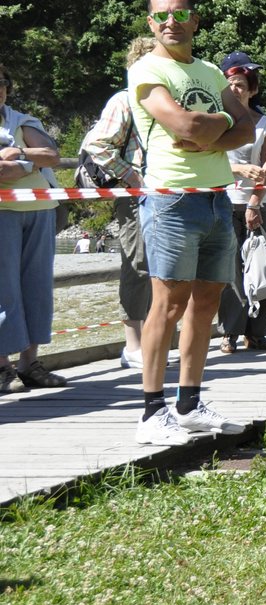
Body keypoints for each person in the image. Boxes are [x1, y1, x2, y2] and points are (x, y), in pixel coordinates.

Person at [127, 0, 258, 442]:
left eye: (180, 15)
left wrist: (211, 128)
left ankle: (189, 402)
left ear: (195, 21)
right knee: (167, 305)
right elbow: (181, 125)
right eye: (161, 16)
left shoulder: (207, 70)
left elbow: (248, 126)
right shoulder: (147, 69)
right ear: (151, 24)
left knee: (206, 303)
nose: (171, 23)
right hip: (172, 199)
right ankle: (150, 411)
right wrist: (214, 125)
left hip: (217, 198)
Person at [79, 36, 158, 368]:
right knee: (137, 263)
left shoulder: (160, 99)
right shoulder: (124, 100)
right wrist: (133, 176)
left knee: (158, 266)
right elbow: (97, 144)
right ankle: (133, 345)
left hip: (160, 193)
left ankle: (152, 342)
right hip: (134, 195)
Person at [0, 62, 67, 393]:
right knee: (4, 290)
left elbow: (51, 155)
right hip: (2, 214)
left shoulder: (20, 121)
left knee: (37, 288)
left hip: (40, 210)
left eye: (1, 82)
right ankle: (2, 367)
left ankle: (30, 364)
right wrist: (28, 162)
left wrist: (20, 156)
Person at [216, 52, 266, 354]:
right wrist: (239, 169)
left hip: (260, 203)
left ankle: (258, 332)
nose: (235, 90)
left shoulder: (265, 124)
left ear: (252, 89)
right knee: (230, 270)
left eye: (241, 85)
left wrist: (255, 202)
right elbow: (210, 159)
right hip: (226, 201)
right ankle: (229, 331)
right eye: (230, 85)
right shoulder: (218, 122)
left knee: (263, 265)